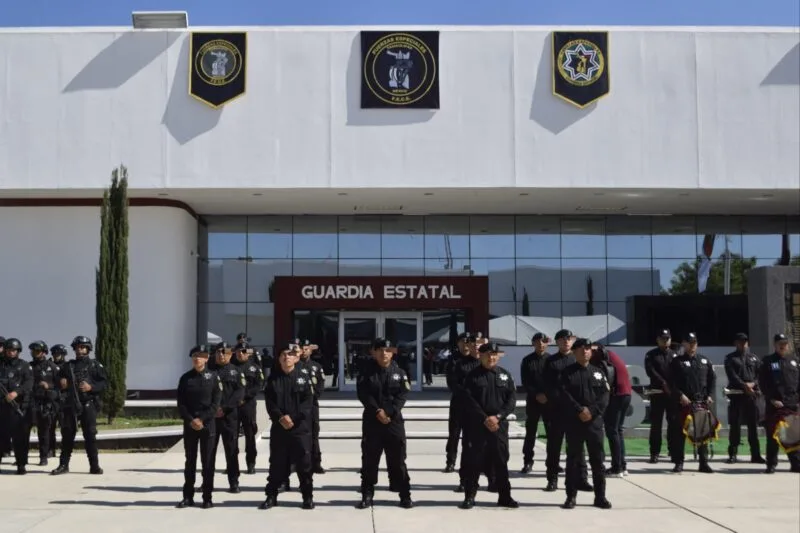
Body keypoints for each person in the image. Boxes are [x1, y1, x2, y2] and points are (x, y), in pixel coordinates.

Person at [459, 342, 518, 509]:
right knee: (474, 461)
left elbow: (511, 399)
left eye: (494, 354)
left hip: (499, 425)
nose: (491, 357)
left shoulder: (505, 375)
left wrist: (498, 417)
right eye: (488, 354)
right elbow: (469, 400)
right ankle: (470, 496)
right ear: (481, 356)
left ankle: (505, 497)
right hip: (478, 425)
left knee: (501, 461)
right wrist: (485, 418)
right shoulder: (472, 376)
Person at [356, 338, 413, 509]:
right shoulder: (366, 373)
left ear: (392, 353)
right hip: (372, 421)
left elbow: (402, 395)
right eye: (380, 350)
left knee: (398, 460)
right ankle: (367, 494)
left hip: (393, 422)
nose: (384, 353)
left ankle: (405, 495)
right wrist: (377, 411)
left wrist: (389, 412)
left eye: (388, 350)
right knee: (370, 460)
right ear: (373, 352)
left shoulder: (400, 372)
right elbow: (363, 394)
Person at [260, 341, 316, 510]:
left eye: (290, 354)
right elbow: (270, 403)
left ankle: (307, 497)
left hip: (300, 428)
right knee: (277, 463)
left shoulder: (304, 378)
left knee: (304, 464)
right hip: (280, 428)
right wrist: (280, 417)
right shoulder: (273, 379)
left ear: (296, 358)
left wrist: (293, 418)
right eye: (283, 354)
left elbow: (308, 402)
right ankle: (271, 496)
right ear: (279, 358)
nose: (287, 357)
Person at [559, 338, 612, 510]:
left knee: (597, 461)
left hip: (594, 423)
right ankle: (571, 496)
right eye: (581, 349)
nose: (585, 351)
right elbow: (564, 395)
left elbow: (605, 396)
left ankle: (600, 497)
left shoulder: (598, 372)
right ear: (574, 352)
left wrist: (592, 411)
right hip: (574, 422)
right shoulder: (567, 373)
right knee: (573, 461)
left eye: (588, 348)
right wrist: (579, 410)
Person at [51, 335, 106, 476]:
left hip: (88, 404)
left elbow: (103, 383)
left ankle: (94, 466)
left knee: (90, 435)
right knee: (67, 436)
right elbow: (57, 380)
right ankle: (63, 465)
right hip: (70, 405)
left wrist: (91, 387)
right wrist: (61, 382)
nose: (80, 350)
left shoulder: (95, 365)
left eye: (83, 347)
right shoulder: (68, 366)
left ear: (88, 349)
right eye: (77, 347)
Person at [542, 329, 589, 492]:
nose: (566, 342)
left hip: (575, 411)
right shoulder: (550, 361)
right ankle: (552, 479)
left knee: (577, 447)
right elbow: (548, 385)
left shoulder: (577, 358)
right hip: (556, 410)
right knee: (554, 446)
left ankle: (581, 479)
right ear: (557, 342)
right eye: (563, 339)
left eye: (569, 339)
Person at [176, 345, 221, 509]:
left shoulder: (213, 377)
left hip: (207, 424)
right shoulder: (185, 378)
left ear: (206, 359)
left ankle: (207, 497)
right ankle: (188, 496)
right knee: (190, 461)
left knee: (207, 462)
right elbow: (181, 403)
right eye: (195, 356)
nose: (197, 359)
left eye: (201, 356)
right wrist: (191, 420)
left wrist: (201, 419)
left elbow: (216, 403)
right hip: (190, 425)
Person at [668, 333, 717, 474]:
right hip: (684, 403)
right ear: (684, 344)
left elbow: (712, 380)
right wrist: (680, 395)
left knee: (703, 433)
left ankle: (703, 463)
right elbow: (671, 382)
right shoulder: (677, 362)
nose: (692, 346)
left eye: (694, 343)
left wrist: (709, 395)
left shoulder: (704, 361)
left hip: (701, 402)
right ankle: (679, 462)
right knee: (680, 434)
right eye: (689, 343)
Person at [758, 333, 800, 474]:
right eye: (780, 344)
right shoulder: (768, 361)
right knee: (773, 436)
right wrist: (771, 399)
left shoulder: (794, 361)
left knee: (793, 435)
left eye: (785, 343)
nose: (783, 346)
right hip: (775, 404)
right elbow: (763, 383)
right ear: (775, 345)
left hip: (792, 404)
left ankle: (795, 463)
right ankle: (771, 464)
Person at [724, 332, 765, 464]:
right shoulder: (730, 358)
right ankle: (732, 454)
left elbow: (760, 375)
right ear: (735, 343)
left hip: (751, 396)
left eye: (745, 342)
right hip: (737, 395)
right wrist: (744, 385)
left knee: (753, 426)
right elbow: (732, 376)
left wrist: (753, 384)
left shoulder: (754, 358)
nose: (743, 344)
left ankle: (756, 455)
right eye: (741, 342)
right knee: (735, 425)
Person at [210, 341, 245, 493]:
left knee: (231, 450)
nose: (221, 354)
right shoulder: (208, 371)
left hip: (229, 417)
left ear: (231, 354)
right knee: (209, 451)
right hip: (211, 417)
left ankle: (234, 482)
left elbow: (239, 393)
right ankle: (207, 482)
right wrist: (213, 409)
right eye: (218, 352)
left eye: (224, 352)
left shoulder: (236, 372)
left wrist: (224, 408)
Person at [592, 344, 632, 477]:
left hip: (617, 395)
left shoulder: (598, 355)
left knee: (612, 430)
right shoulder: (609, 354)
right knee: (617, 430)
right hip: (626, 393)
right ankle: (622, 465)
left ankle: (617, 467)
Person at [644, 329, 678, 464]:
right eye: (663, 339)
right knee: (656, 425)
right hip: (657, 393)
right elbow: (650, 371)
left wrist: (671, 386)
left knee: (673, 423)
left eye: (667, 338)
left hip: (671, 394)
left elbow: (678, 372)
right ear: (657, 340)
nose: (665, 341)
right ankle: (654, 453)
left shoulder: (675, 354)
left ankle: (673, 450)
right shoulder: (651, 355)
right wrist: (663, 383)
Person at [0, 338, 33, 474]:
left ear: (18, 351)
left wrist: (16, 392)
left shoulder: (24, 365)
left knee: (19, 438)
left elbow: (29, 383)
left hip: (16, 406)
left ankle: (21, 465)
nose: (11, 352)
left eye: (14, 350)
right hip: (1, 406)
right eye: (9, 350)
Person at [519, 332, 551, 474]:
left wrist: (546, 395)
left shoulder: (551, 360)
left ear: (547, 343)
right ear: (533, 343)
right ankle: (528, 461)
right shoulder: (527, 360)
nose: (541, 344)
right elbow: (525, 381)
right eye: (538, 342)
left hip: (549, 402)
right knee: (530, 432)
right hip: (533, 401)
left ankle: (552, 461)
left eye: (543, 342)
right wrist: (536, 394)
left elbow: (555, 381)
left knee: (552, 433)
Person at [232, 341, 265, 475]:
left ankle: (251, 463)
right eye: (238, 351)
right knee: (232, 436)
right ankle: (232, 464)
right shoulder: (230, 368)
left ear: (249, 353)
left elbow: (259, 385)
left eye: (244, 351)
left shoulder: (255, 368)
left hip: (248, 405)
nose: (241, 353)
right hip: (233, 406)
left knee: (250, 435)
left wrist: (244, 397)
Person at [444, 332, 473, 473]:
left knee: (471, 435)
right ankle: (450, 461)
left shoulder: (476, 359)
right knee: (454, 434)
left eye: (468, 341)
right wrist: (464, 393)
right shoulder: (453, 360)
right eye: (463, 341)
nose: (465, 344)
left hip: (474, 404)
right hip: (458, 401)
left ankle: (471, 462)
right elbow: (451, 382)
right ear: (458, 343)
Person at [28, 340, 60, 466]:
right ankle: (21, 457)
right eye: (33, 351)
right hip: (30, 402)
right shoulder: (28, 366)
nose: (34, 353)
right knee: (23, 431)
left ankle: (43, 456)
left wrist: (49, 386)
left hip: (46, 403)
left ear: (44, 352)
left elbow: (60, 386)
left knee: (44, 432)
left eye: (37, 351)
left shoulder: (52, 367)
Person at [299, 339, 326, 474]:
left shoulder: (316, 366)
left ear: (311, 350)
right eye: (302, 349)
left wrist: (314, 396)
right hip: (297, 406)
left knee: (314, 433)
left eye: (307, 349)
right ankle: (296, 463)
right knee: (298, 434)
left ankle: (316, 463)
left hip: (312, 405)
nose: (304, 351)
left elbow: (320, 383)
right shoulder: (294, 365)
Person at [48, 344, 68, 459]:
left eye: (58, 354)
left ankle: (65, 449)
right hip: (51, 400)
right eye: (54, 354)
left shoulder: (68, 366)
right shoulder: (49, 366)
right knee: (50, 427)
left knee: (65, 427)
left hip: (64, 400)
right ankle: (51, 449)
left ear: (63, 355)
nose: (56, 356)